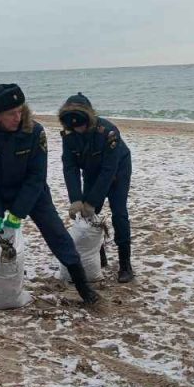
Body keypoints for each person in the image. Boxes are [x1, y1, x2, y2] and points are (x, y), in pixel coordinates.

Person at [0, 83, 98, 305]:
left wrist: (18, 213)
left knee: (58, 235)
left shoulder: (35, 132)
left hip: (33, 193)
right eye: (11, 113)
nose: (18, 117)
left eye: (20, 110)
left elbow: (36, 177)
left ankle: (82, 285)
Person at [58, 93, 134, 283]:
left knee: (119, 213)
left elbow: (109, 170)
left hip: (117, 171)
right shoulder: (69, 135)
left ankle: (125, 264)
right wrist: (76, 199)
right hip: (91, 170)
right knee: (88, 215)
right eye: (74, 126)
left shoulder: (108, 132)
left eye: (82, 124)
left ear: (89, 118)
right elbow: (70, 166)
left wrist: (92, 201)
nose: (79, 129)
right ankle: (98, 255)